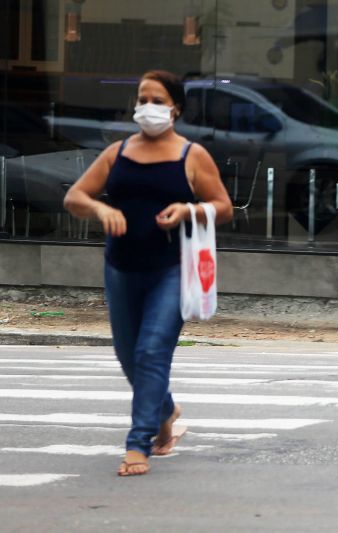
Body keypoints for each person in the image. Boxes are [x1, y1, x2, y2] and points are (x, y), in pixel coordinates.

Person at [64, 70, 233, 475]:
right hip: (120, 268)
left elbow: (223, 206)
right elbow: (75, 196)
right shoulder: (117, 153)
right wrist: (101, 209)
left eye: (157, 100)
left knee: (151, 352)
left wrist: (188, 210)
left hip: (171, 270)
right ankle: (167, 413)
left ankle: (137, 444)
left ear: (174, 108)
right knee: (128, 358)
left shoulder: (192, 155)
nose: (148, 108)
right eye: (142, 99)